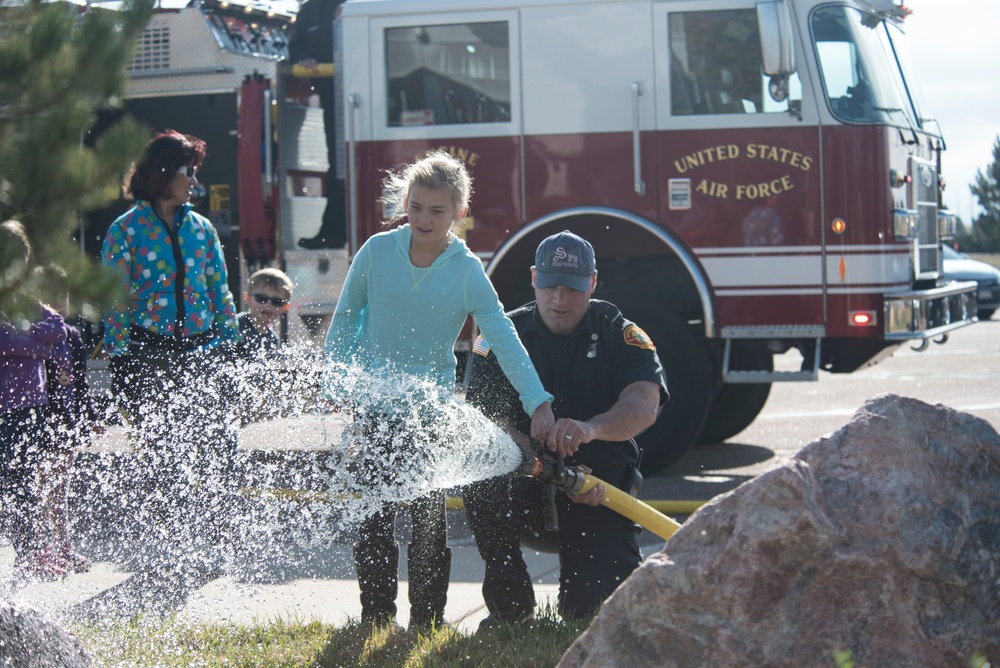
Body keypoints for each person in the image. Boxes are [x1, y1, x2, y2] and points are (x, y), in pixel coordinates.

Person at [322, 151, 555, 632]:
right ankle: (376, 617)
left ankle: (427, 620)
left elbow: (504, 341)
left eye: (437, 210)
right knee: (374, 520)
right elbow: (346, 318)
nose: (424, 219)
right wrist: (336, 378)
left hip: (430, 414)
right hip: (373, 407)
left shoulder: (467, 272)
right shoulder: (376, 251)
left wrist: (538, 402)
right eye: (417, 207)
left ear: (458, 213)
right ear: (405, 203)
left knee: (428, 524)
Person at [463, 230, 669, 628]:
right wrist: (531, 453)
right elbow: (483, 417)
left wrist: (590, 429)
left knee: (593, 617)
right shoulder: (500, 336)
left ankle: (589, 588)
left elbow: (645, 405)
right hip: (524, 479)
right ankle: (511, 609)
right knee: (479, 479)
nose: (559, 299)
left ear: (592, 283)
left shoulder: (619, 333)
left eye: (572, 289)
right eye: (550, 286)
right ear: (533, 278)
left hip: (598, 490)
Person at [100, 130, 240, 576]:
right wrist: (121, 359)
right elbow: (114, 300)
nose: (194, 181)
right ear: (163, 175)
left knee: (214, 448)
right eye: (188, 171)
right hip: (147, 355)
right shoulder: (125, 231)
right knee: (164, 459)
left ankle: (215, 545)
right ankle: (172, 551)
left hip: (201, 352)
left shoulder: (202, 229)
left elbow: (220, 290)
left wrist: (228, 341)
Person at [0, 220, 69, 581]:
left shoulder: (24, 300)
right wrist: (32, 345)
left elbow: (57, 328)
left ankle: (28, 552)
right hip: (5, 407)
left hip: (28, 406)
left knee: (23, 480)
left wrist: (21, 336)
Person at [36, 267, 102, 575]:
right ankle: (42, 549)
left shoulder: (73, 335)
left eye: (63, 292)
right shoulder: (33, 332)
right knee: (38, 485)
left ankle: (63, 546)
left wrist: (92, 417)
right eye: (50, 292)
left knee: (60, 487)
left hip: (66, 421)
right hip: (40, 420)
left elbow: (83, 382)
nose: (58, 298)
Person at [289, 0, 347, 250]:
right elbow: (295, 45)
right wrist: (304, 59)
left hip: (368, 100)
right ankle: (334, 230)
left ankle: (338, 229)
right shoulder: (310, 9)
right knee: (337, 167)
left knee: (351, 168)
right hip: (332, 99)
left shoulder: (357, 4)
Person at [229, 267, 294, 424]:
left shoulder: (272, 339)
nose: (268, 305)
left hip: (241, 401)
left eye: (277, 301)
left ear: (285, 307)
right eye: (261, 298)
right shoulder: (235, 326)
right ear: (248, 298)